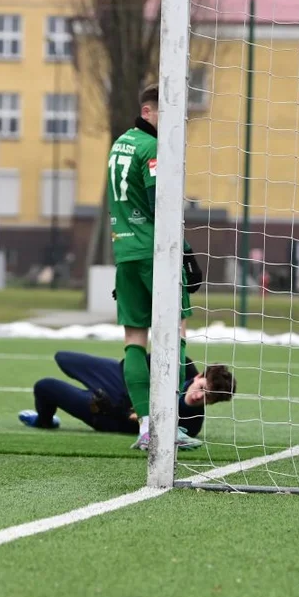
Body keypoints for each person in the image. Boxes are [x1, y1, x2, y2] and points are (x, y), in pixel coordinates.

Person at [107, 83, 195, 451]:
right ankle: (166, 424)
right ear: (148, 112)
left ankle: (146, 426)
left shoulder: (120, 143)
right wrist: (187, 252)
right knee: (175, 333)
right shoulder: (152, 148)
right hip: (155, 254)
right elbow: (163, 206)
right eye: (167, 112)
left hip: (124, 251)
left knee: (134, 340)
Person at [17, 351, 236, 450]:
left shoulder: (191, 424)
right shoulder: (182, 364)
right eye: (202, 389)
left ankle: (44, 421)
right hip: (119, 383)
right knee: (62, 358)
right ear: (198, 377)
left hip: (108, 412)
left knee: (44, 386)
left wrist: (116, 409)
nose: (199, 396)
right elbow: (133, 365)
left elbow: (131, 425)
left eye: (207, 398)